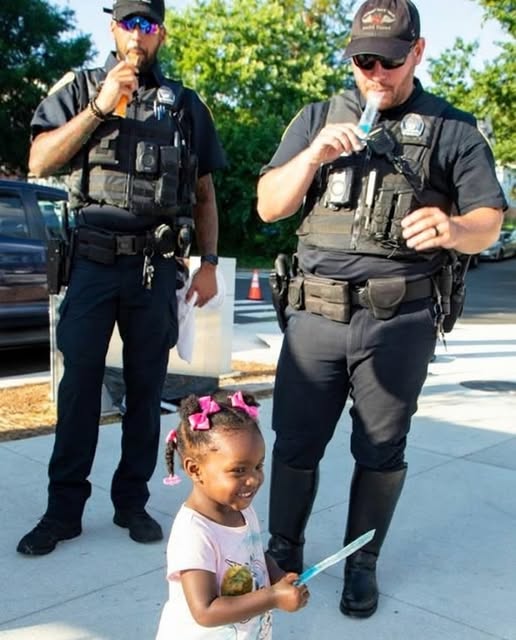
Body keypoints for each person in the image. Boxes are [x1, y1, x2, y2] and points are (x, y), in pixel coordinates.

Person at [257, 0, 506, 619]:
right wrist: (311, 157)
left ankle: (360, 564)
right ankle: (282, 552)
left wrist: (453, 228)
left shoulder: (452, 129)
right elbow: (269, 205)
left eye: (389, 61)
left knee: (380, 450)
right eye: (363, 61)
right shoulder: (318, 118)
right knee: (294, 445)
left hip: (398, 324)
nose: (375, 74)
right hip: (314, 318)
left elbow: (489, 220)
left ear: (417, 52)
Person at [17, 0, 226, 556]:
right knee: (79, 390)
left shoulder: (185, 105)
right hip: (91, 262)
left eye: (148, 24)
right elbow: (39, 161)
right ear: (113, 28)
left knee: (145, 391)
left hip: (154, 268)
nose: (138, 33)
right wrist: (99, 108)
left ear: (161, 34)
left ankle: (131, 502)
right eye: (129, 23)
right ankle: (63, 511)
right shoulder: (81, 87)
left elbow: (204, 193)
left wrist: (208, 263)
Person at [155, 391, 309, 639]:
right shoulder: (194, 533)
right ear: (195, 469)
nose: (253, 479)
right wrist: (273, 597)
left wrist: (277, 576)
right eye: (238, 470)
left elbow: (253, 553)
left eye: (258, 466)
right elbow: (205, 611)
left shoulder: (241, 508)